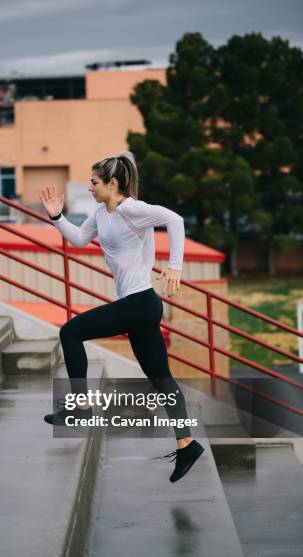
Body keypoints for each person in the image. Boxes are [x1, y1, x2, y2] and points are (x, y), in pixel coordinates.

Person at [38, 151, 204, 483]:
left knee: (71, 332)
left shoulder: (131, 209)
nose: (90, 188)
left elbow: (175, 220)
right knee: (160, 379)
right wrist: (57, 218)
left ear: (113, 183)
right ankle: (186, 443)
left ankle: (81, 406)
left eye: (95, 183)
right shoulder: (102, 212)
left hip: (140, 303)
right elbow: (80, 240)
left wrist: (175, 266)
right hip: (138, 307)